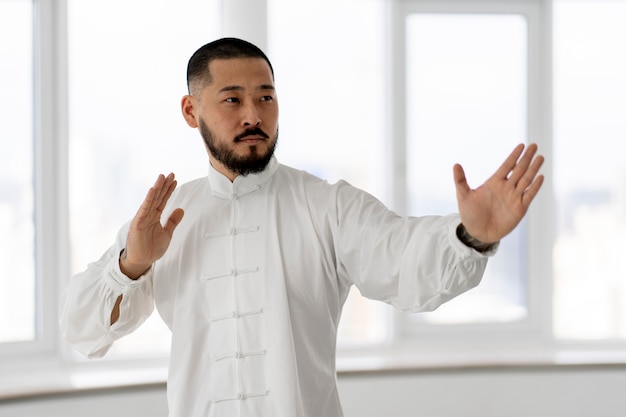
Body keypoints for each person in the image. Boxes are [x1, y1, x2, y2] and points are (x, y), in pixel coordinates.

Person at [59, 37, 544, 417]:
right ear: (192, 111)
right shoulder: (164, 219)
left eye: (265, 97)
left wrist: (472, 235)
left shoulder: (325, 205)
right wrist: (133, 264)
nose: (254, 116)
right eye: (232, 99)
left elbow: (406, 259)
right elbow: (81, 332)